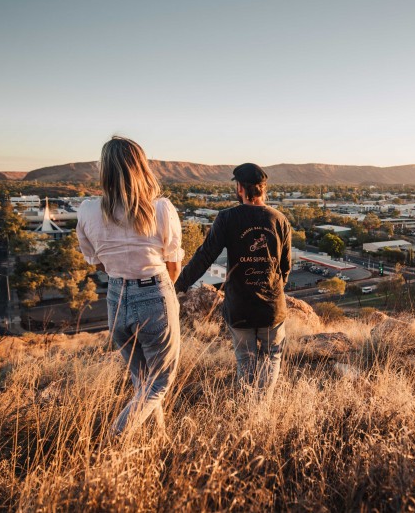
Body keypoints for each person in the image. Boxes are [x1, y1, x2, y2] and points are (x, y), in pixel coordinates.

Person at [76, 136, 183, 434]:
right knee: (160, 382)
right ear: (141, 167)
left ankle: (157, 440)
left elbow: (95, 262)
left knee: (143, 380)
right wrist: (157, 293)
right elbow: (173, 265)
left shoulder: (87, 211)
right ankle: (117, 436)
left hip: (116, 297)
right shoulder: (161, 209)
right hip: (153, 293)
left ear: (104, 171)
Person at [175, 163, 291, 398]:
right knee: (272, 356)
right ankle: (263, 404)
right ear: (263, 189)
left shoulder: (227, 218)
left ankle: (250, 404)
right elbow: (286, 267)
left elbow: (204, 256)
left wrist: (179, 284)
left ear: (240, 188)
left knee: (246, 360)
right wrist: (273, 290)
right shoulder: (279, 220)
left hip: (240, 307)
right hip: (272, 307)